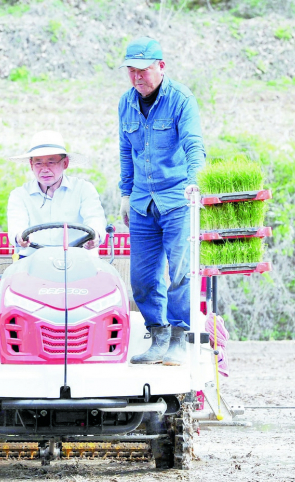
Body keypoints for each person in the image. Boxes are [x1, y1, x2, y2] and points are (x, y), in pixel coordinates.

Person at [118, 37, 206, 365]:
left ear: (161, 67)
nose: (137, 76)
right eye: (131, 71)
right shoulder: (126, 103)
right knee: (141, 277)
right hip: (142, 201)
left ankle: (180, 339)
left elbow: (194, 145)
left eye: (143, 70)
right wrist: (125, 194)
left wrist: (196, 185)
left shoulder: (181, 100)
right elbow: (126, 151)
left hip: (177, 199)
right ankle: (158, 336)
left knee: (180, 271)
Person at [7, 130, 107, 256]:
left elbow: (95, 218)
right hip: (32, 261)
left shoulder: (84, 189)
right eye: (38, 163)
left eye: (51, 162)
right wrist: (20, 236)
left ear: (65, 163)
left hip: (78, 259)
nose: (44, 169)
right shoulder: (20, 194)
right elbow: (16, 225)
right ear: (31, 165)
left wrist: (95, 235)